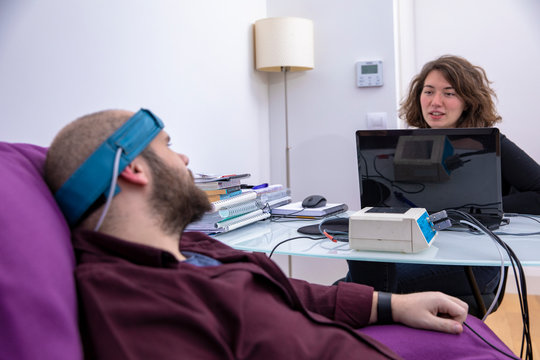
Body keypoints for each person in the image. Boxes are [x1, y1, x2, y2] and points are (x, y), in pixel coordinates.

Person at [44, 108, 514, 359]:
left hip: (344, 336)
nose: (185, 160)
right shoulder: (130, 299)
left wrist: (391, 304)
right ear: (133, 171)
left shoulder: (193, 245)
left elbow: (287, 289)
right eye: (169, 147)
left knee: (466, 326)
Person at [346, 55, 540, 314]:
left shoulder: (492, 144)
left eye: (449, 93)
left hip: (476, 260)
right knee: (354, 279)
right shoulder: (409, 143)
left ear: (468, 102)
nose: (435, 102)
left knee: (353, 291)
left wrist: (479, 208)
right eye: (428, 92)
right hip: (421, 248)